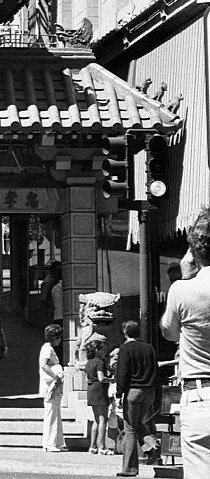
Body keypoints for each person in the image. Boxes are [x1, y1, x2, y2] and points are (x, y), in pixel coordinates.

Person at [160, 202, 210, 479]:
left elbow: (169, 332)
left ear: (193, 250)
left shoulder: (182, 290)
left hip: (200, 392)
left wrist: (186, 275)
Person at [115, 319, 160, 476]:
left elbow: (123, 372)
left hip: (133, 391)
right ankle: (152, 445)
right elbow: (156, 370)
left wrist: (119, 393)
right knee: (137, 424)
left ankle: (129, 469)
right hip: (149, 391)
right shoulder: (149, 348)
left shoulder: (125, 348)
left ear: (125, 333)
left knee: (130, 430)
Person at [39, 322, 66, 452]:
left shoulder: (49, 348)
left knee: (55, 414)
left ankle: (57, 442)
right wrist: (56, 376)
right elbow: (43, 365)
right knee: (51, 414)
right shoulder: (47, 348)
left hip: (54, 385)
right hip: (50, 386)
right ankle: (49, 444)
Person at [83, 339, 113, 455]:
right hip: (100, 390)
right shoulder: (100, 362)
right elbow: (101, 378)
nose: (104, 352)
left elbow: (87, 378)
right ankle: (102, 446)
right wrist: (112, 379)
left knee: (96, 419)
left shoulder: (89, 362)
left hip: (91, 390)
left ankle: (93, 446)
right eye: (103, 349)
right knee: (103, 420)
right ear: (97, 350)